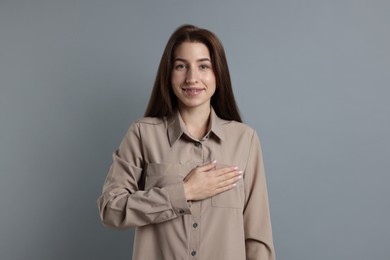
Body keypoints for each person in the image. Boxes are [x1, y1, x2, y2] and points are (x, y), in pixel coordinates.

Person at [97, 24, 275, 260]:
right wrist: (184, 192)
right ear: (169, 74)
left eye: (203, 66)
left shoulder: (245, 140)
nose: (192, 78)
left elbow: (257, 236)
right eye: (181, 66)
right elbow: (110, 209)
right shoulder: (142, 134)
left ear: (218, 75)